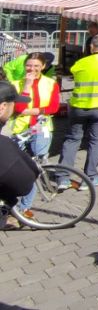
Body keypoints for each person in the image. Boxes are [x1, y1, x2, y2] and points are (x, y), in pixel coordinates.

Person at [58, 33, 98, 189]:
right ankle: (90, 177)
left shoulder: (80, 63)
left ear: (91, 47)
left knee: (72, 139)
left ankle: (63, 178)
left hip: (79, 107)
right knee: (96, 142)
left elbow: (72, 71)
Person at [10, 53, 61, 217]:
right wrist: (27, 87)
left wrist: (28, 111)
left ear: (43, 67)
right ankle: (11, 202)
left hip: (41, 129)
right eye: (29, 66)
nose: (32, 69)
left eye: (36, 66)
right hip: (20, 131)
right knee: (17, 169)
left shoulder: (51, 83)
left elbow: (53, 108)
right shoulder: (16, 84)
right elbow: (17, 108)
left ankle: (24, 207)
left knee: (34, 168)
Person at [0, 82, 41, 230]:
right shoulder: (3, 145)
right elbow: (22, 185)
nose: (14, 110)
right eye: (13, 105)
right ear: (2, 107)